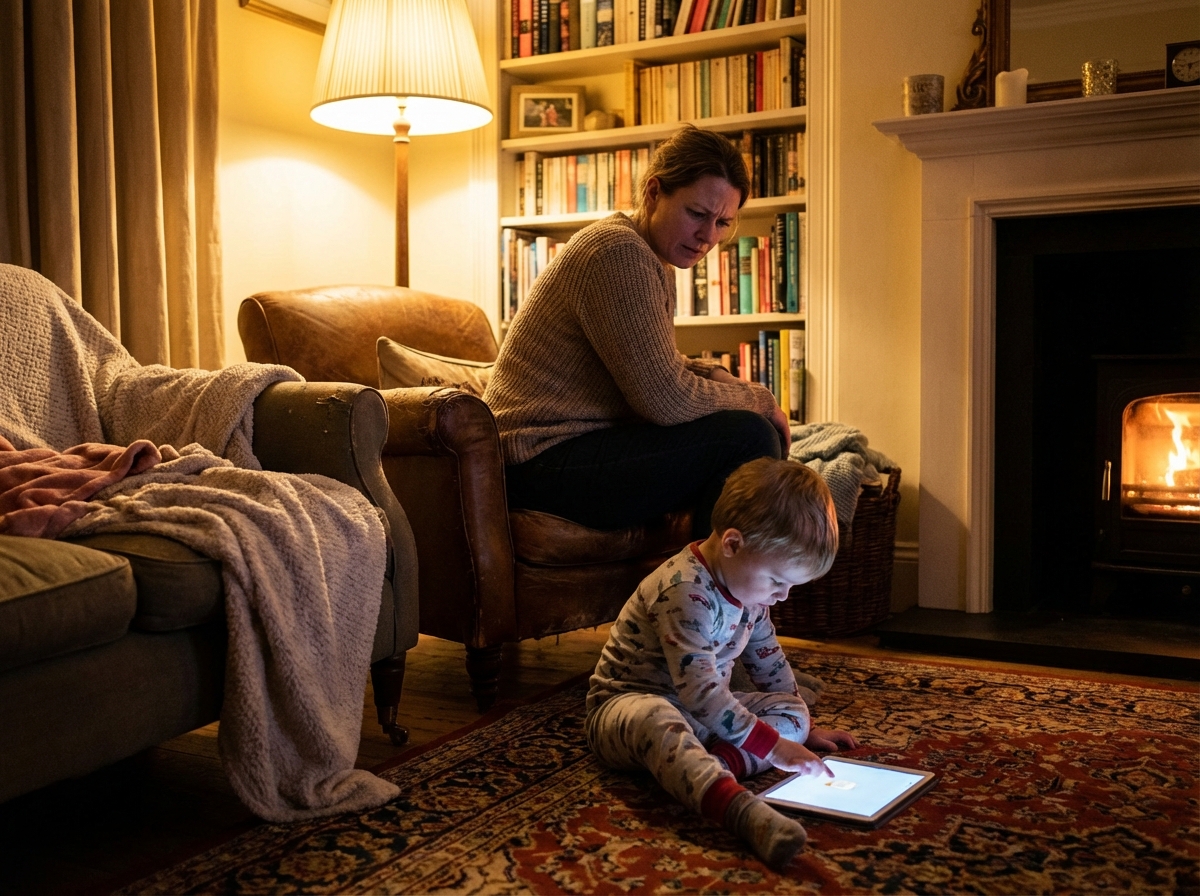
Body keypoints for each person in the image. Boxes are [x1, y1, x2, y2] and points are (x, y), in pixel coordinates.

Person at [483, 124, 790, 537]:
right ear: (653, 193)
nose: (707, 237)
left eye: (722, 223)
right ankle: (706, 596)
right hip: (537, 462)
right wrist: (759, 398)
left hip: (563, 454)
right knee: (746, 435)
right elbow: (665, 399)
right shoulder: (618, 252)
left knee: (749, 435)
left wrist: (712, 372)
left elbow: (651, 361)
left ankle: (719, 590)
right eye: (697, 214)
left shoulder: (650, 256)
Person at [585, 458, 859, 871]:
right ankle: (739, 810)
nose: (783, 596)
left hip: (702, 712)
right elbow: (698, 692)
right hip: (629, 706)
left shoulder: (751, 593)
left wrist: (802, 728)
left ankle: (712, 766)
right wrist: (774, 747)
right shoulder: (684, 591)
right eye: (777, 581)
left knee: (791, 710)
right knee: (657, 717)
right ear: (732, 544)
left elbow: (770, 666)